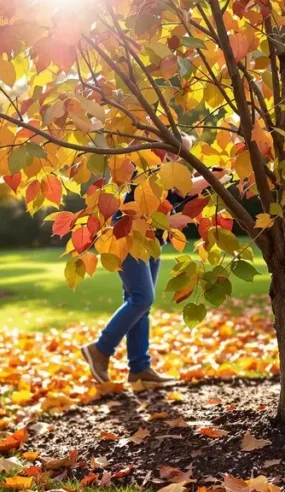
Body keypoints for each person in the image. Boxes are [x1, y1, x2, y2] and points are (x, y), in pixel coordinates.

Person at [82, 139, 229, 385]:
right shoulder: (145, 168)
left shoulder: (166, 173)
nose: (176, 158)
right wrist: (170, 221)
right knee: (142, 298)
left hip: (151, 243)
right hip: (130, 238)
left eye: (180, 153)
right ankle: (101, 348)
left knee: (140, 305)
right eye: (173, 151)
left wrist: (218, 174)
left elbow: (186, 188)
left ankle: (139, 368)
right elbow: (144, 208)